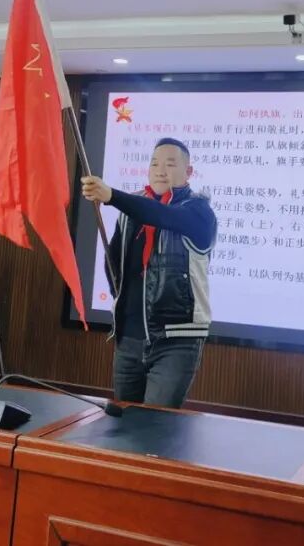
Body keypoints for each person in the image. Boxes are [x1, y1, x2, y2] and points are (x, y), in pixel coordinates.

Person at [81, 137, 217, 408]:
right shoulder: (130, 210)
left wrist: (112, 196)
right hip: (128, 338)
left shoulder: (199, 211)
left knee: (156, 424)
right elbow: (114, 263)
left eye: (170, 164)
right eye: (154, 164)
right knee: (125, 422)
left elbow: (161, 215)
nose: (160, 171)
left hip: (175, 340)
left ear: (189, 172)